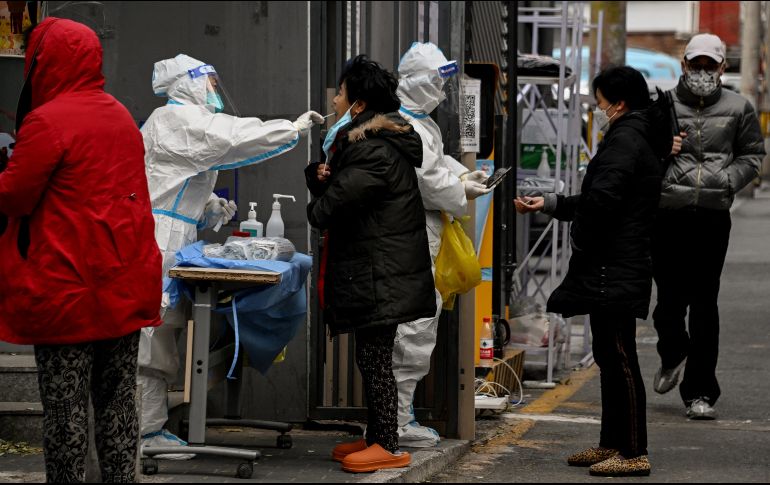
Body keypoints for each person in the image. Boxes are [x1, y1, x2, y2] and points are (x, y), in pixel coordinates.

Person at [0, 18, 162, 482]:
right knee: (116, 403)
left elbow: (14, 196)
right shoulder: (120, 115)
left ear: (44, 62)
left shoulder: (47, 121)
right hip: (124, 283)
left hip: (66, 289)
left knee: (66, 411)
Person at [139, 53, 323, 459]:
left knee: (163, 332)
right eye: (206, 81)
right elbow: (230, 136)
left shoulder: (183, 121)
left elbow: (173, 181)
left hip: (171, 234)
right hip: (156, 238)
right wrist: (286, 128)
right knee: (151, 337)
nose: (212, 89)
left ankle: (149, 428)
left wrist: (206, 208)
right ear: (187, 82)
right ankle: (143, 432)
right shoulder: (175, 120)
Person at [515, 66, 674, 477]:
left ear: (618, 103)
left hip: (615, 262)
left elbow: (602, 200)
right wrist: (549, 204)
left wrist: (583, 236)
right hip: (616, 260)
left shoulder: (625, 139)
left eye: (600, 101)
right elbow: (596, 197)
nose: (598, 109)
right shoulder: (633, 135)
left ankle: (634, 451)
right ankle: (611, 443)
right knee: (607, 354)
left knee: (620, 357)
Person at [305, 54, 436, 473]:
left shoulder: (373, 151)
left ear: (359, 105)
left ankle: (388, 444)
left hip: (381, 273)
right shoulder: (371, 145)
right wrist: (320, 176)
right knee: (372, 355)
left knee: (377, 357)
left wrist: (320, 193)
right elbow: (341, 191)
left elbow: (331, 208)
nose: (336, 99)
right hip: (379, 270)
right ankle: (378, 435)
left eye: (341, 92)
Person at [651, 33, 765, 419]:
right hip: (667, 214)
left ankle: (700, 391)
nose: (701, 72)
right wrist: (664, 151)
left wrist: (727, 180)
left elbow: (752, 155)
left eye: (708, 65)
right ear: (683, 64)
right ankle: (673, 351)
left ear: (722, 67)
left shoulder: (739, 108)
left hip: (713, 217)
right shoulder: (662, 105)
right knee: (667, 303)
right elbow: (641, 154)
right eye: (694, 64)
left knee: (703, 304)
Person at [393, 42, 490, 447]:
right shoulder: (404, 125)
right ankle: (396, 420)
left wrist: (461, 175)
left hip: (425, 235)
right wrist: (460, 188)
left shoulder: (421, 123)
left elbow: (437, 164)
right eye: (434, 82)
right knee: (411, 331)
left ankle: (400, 415)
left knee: (419, 329)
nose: (439, 91)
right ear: (413, 82)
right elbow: (428, 182)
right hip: (414, 237)